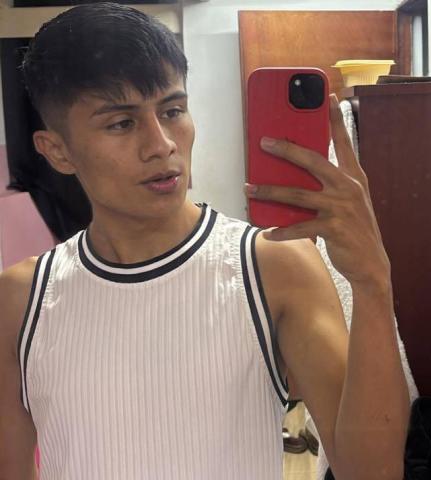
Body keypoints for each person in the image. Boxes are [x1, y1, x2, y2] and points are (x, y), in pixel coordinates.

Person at [0, 3, 409, 479]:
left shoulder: (273, 268)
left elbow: (372, 472)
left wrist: (373, 283)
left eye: (173, 110)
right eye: (121, 123)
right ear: (57, 150)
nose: (162, 144)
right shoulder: (21, 299)